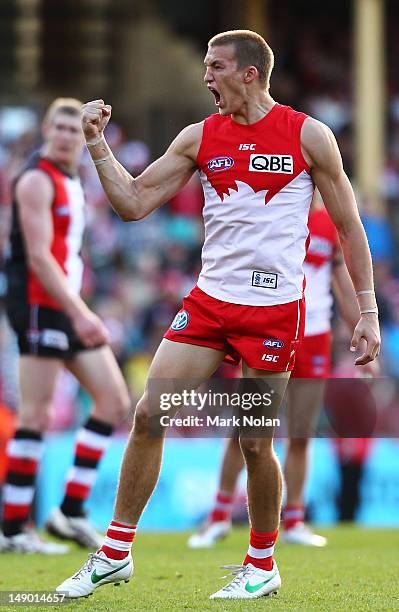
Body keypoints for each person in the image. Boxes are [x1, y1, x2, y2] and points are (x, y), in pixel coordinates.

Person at [57, 30, 380, 600]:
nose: (206, 76)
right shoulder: (199, 136)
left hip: (273, 315)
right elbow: (132, 204)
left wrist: (368, 313)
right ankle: (113, 552)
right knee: (150, 413)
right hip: (209, 307)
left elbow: (351, 228)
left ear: (250, 72)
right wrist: (97, 146)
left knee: (255, 442)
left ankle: (261, 563)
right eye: (205, 65)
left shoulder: (309, 135)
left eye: (216, 66)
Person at [187, 194, 378, 550]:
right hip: (269, 332)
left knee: (302, 433)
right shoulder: (273, 211)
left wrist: (364, 327)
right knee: (248, 428)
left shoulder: (330, 225)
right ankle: (218, 516)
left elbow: (342, 282)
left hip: (314, 336)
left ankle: (294, 520)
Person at [2, 98, 131, 554]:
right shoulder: (36, 179)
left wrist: (79, 303)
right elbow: (38, 257)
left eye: (73, 129)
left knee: (114, 401)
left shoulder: (71, 178)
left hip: (65, 302)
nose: (64, 135)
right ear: (45, 130)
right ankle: (14, 529)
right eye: (58, 127)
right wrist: (81, 311)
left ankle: (69, 512)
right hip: (40, 304)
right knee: (34, 414)